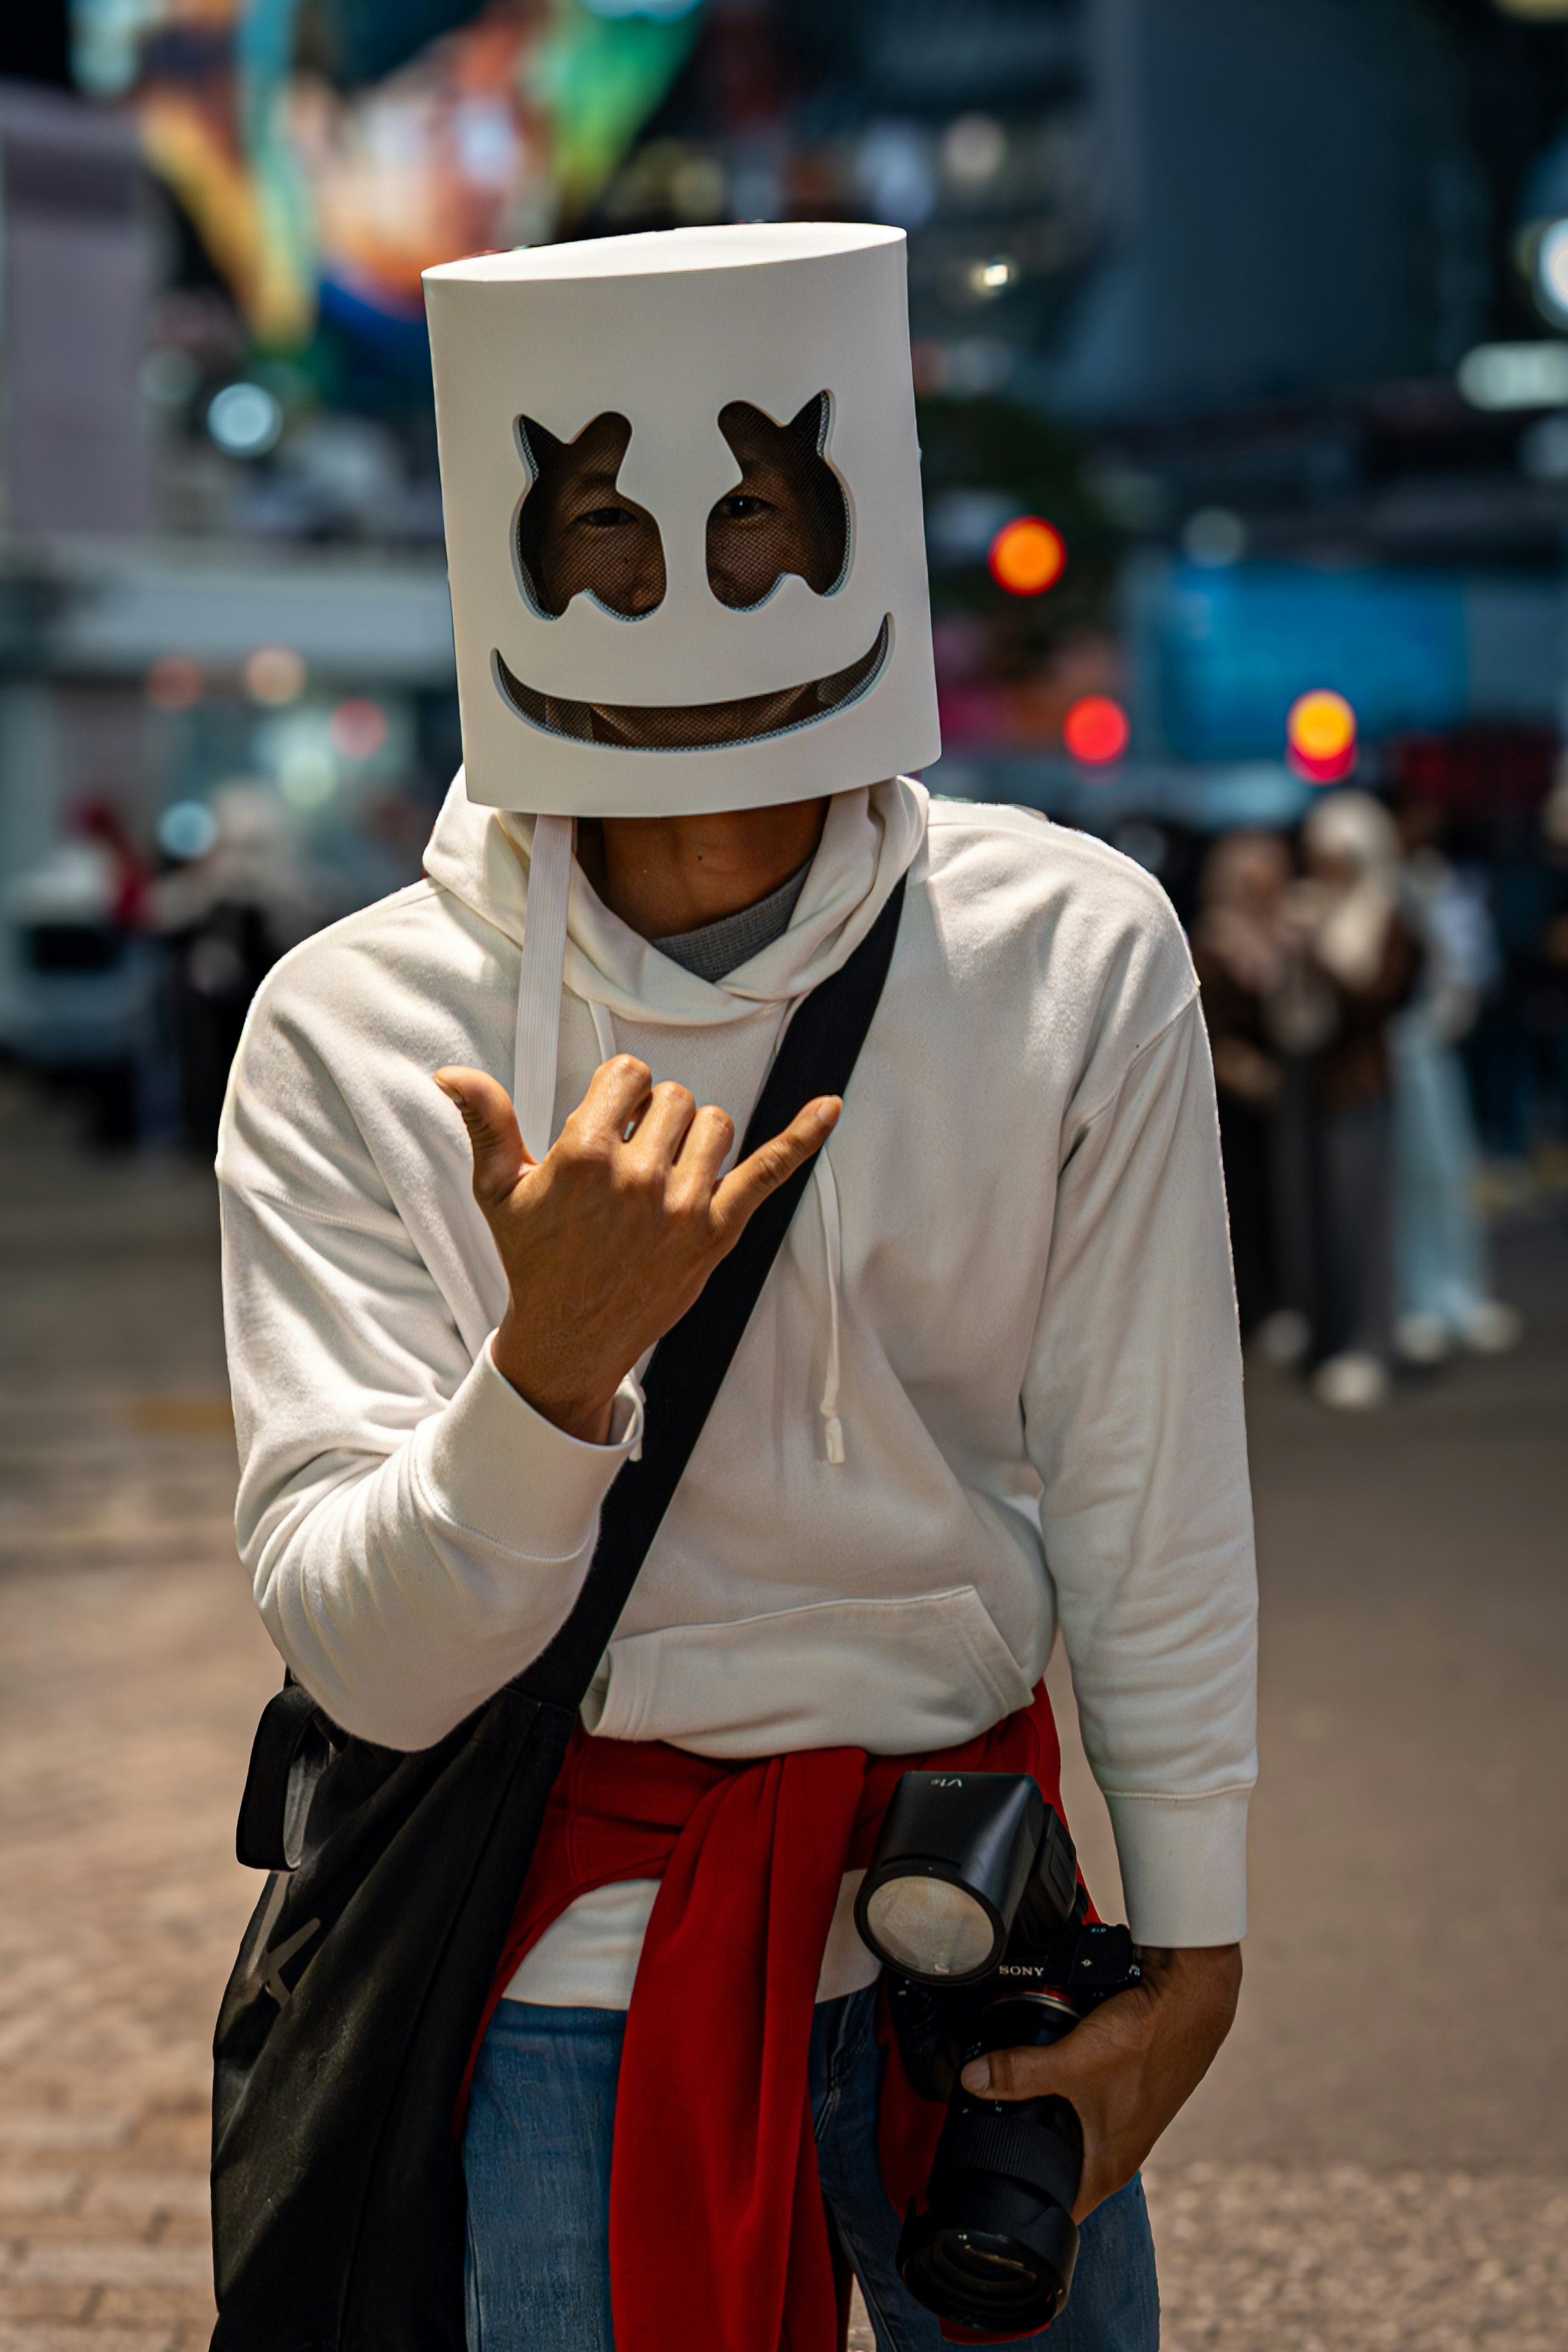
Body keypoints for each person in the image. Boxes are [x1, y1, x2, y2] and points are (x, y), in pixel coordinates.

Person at [217, 225, 1256, 2351]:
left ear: (851, 517)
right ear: (511, 553)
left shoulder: (1071, 951)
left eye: (753, 509)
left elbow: (1148, 1484)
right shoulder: (351, 1027)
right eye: (605, 520)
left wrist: (1198, 1938)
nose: (685, 582)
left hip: (979, 1919)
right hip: (573, 1969)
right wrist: (547, 1374)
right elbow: (369, 1659)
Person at [1292, 792, 1418, 1411]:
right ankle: (1335, 1334)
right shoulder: (1322, 912)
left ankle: (1370, 1342)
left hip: (1362, 1086)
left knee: (1365, 1218)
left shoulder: (1384, 917)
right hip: (1317, 1086)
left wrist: (1317, 953)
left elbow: (1377, 998)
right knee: (1325, 1219)